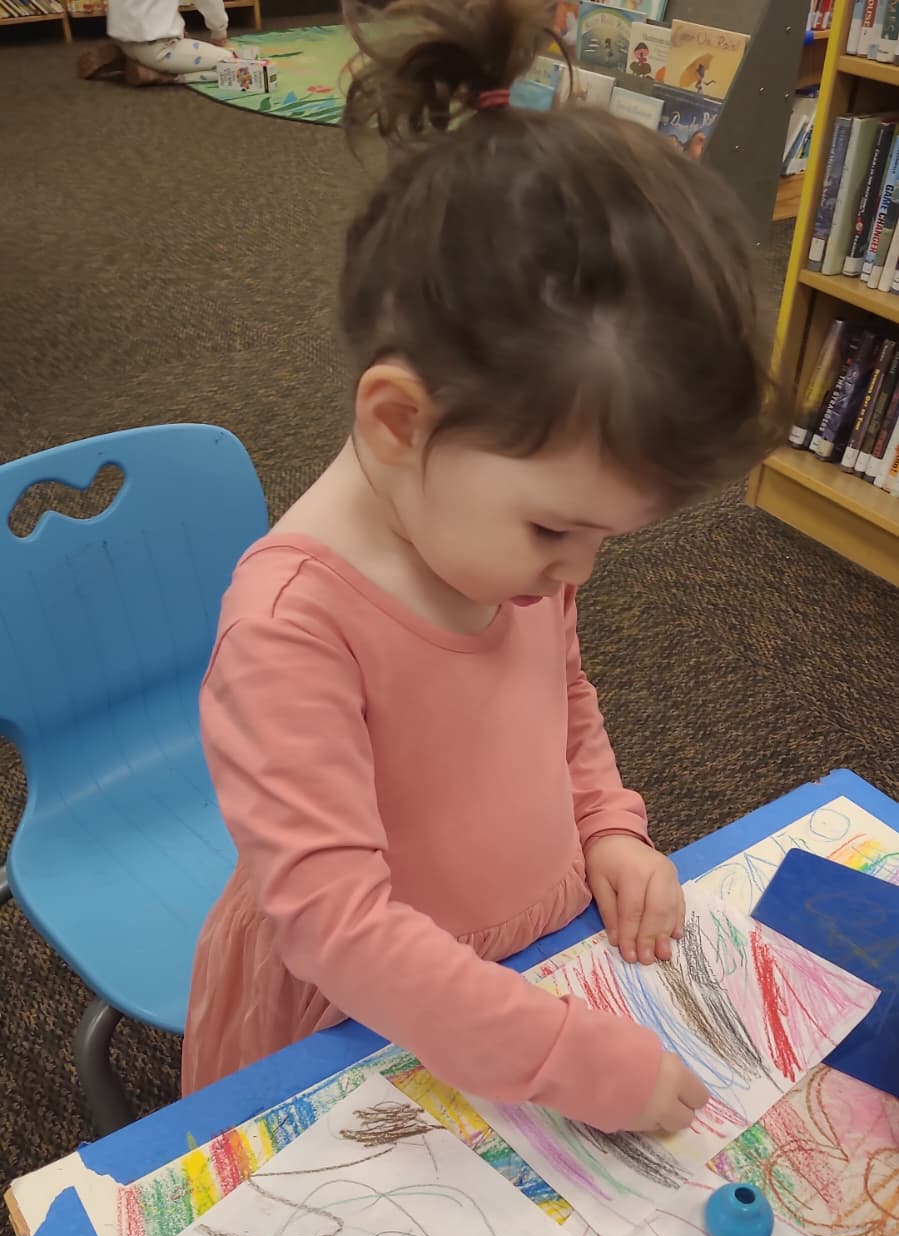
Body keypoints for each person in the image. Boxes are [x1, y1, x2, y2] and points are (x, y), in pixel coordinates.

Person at [182, 0, 783, 1133]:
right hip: (355, 1021)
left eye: (607, 539)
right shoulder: (290, 625)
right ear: (400, 423)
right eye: (559, 531)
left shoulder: (503, 549)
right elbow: (339, 927)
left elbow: (559, 697)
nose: (578, 576)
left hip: (524, 957)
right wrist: (555, 1057)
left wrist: (607, 822)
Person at [78, 0, 236, 86]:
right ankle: (162, 75)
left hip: (123, 36)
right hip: (157, 48)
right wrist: (219, 31)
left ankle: (127, 55)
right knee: (234, 64)